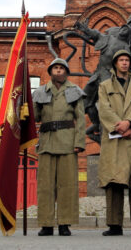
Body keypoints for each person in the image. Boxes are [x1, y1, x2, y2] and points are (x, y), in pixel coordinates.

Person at [97, 49, 131, 236]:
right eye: (121, 60)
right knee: (114, 181)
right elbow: (103, 108)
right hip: (115, 139)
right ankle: (114, 225)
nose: (124, 63)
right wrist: (119, 126)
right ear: (115, 63)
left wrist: (129, 123)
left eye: (127, 60)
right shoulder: (104, 85)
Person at [32, 58, 86, 236]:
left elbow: (80, 119)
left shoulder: (74, 91)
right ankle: (46, 224)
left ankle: (65, 223)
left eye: (62, 68)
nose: (59, 71)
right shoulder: (41, 91)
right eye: (55, 68)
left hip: (67, 141)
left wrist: (79, 142)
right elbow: (36, 118)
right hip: (47, 141)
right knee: (45, 185)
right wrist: (30, 105)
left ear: (66, 72)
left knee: (67, 185)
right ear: (50, 71)